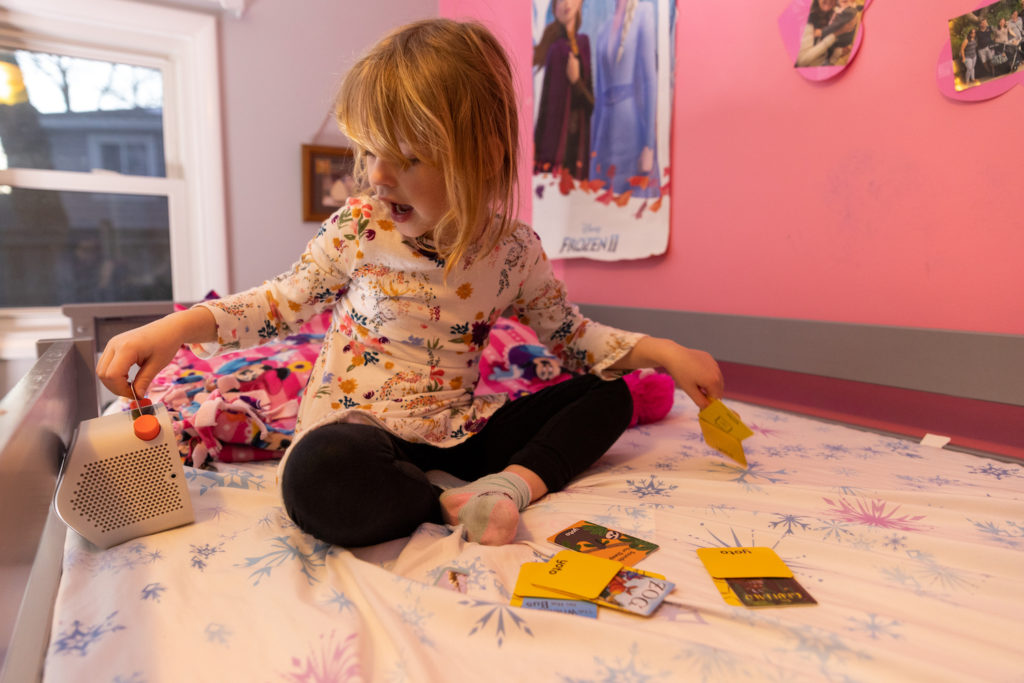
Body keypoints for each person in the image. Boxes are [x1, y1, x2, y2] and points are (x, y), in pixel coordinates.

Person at [96, 19, 724, 549]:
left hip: (458, 435)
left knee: (609, 395)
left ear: (480, 156)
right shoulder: (359, 229)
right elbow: (277, 304)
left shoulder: (514, 251)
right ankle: (442, 506)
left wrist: (664, 354)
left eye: (407, 157)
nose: (377, 175)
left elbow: (572, 335)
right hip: (359, 433)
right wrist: (177, 328)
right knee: (315, 477)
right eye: (369, 152)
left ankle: (507, 488)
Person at [589, 0, 661, 198]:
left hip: (630, 133)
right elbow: (598, 94)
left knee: (630, 207)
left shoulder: (643, 12)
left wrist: (648, 145)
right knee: (601, 204)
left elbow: (649, 81)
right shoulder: (604, 28)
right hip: (604, 134)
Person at [534, 0, 594, 181]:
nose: (566, 3)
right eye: (559, 0)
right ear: (554, 8)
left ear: (580, 4)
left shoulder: (584, 44)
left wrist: (576, 81)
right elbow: (545, 105)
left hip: (578, 145)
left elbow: (590, 103)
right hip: (555, 146)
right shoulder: (554, 49)